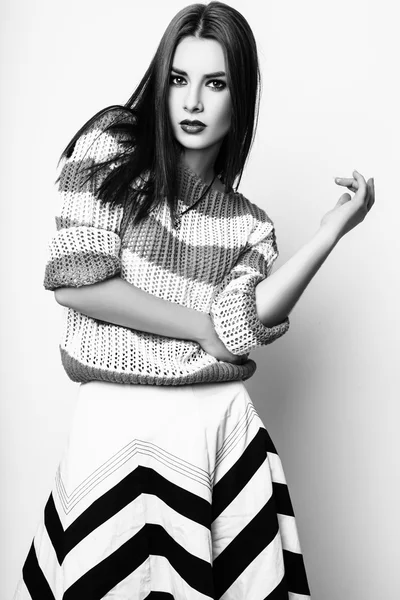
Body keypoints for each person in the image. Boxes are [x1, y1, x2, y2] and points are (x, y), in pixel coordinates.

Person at [13, 2, 374, 599]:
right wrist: (200, 326)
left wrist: (329, 234)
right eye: (179, 80)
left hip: (214, 430)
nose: (194, 102)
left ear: (241, 98)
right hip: (113, 427)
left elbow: (241, 327)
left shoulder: (249, 226)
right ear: (161, 83)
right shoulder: (112, 145)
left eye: (215, 83)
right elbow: (76, 281)